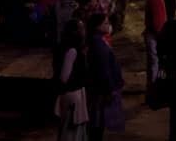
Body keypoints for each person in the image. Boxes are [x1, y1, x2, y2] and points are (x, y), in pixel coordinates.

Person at [86, 13, 124, 141]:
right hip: (100, 91)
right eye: (106, 23)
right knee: (97, 125)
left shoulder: (99, 40)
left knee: (98, 124)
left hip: (100, 90)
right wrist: (110, 89)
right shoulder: (97, 44)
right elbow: (104, 69)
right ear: (97, 26)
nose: (109, 26)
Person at [53, 18, 89, 141]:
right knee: (70, 131)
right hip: (72, 95)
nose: (84, 30)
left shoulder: (76, 49)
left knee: (75, 131)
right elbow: (64, 77)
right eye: (81, 28)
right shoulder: (72, 51)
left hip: (76, 93)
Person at [144, 0, 168, 94]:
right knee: (155, 64)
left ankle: (152, 90)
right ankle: (154, 92)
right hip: (154, 36)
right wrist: (162, 37)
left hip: (152, 34)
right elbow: (157, 23)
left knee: (153, 64)